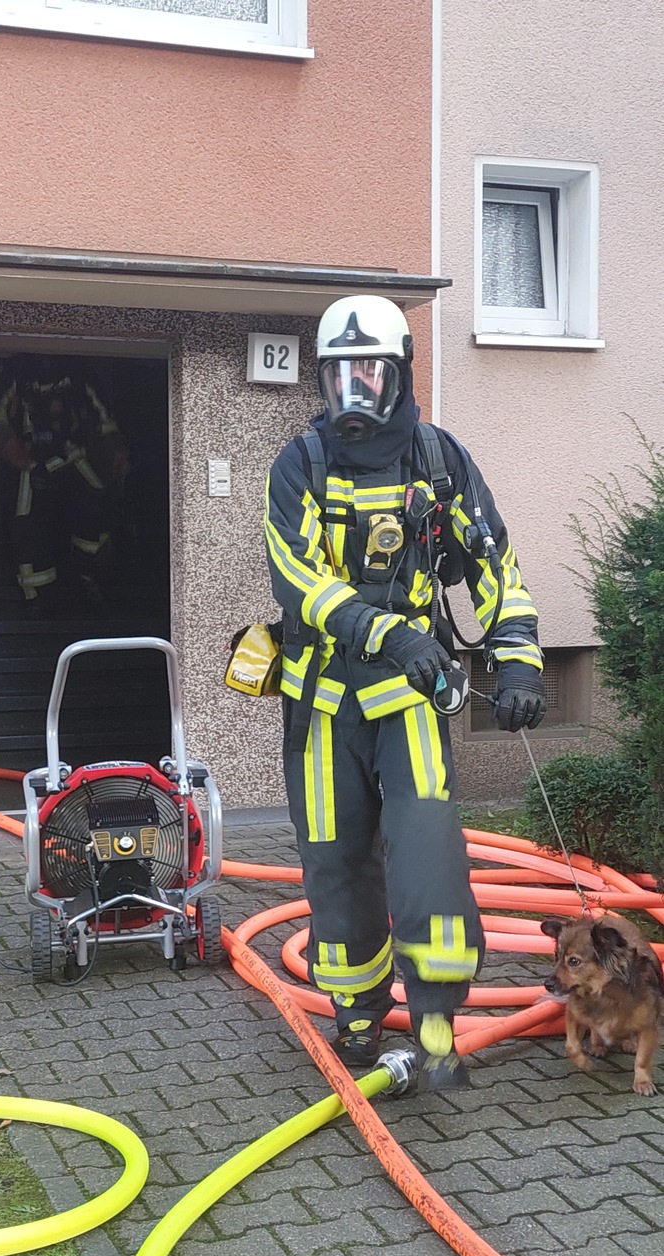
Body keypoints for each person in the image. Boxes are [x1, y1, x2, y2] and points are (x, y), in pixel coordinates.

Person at [263, 294, 546, 1091]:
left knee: (425, 851)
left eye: (369, 373)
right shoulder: (300, 464)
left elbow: (492, 560)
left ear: (400, 374)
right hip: (321, 705)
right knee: (336, 860)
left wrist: (519, 659)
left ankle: (432, 1017)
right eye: (339, 374)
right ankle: (355, 1015)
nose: (353, 390)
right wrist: (392, 634)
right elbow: (300, 581)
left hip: (410, 704)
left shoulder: (439, 460)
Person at [0, 354, 130, 611]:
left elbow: (102, 413)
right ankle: (36, 596)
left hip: (73, 454)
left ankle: (85, 575)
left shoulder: (77, 366)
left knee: (98, 509)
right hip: (31, 461)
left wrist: (116, 447)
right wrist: (17, 454)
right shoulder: (15, 367)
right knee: (28, 523)